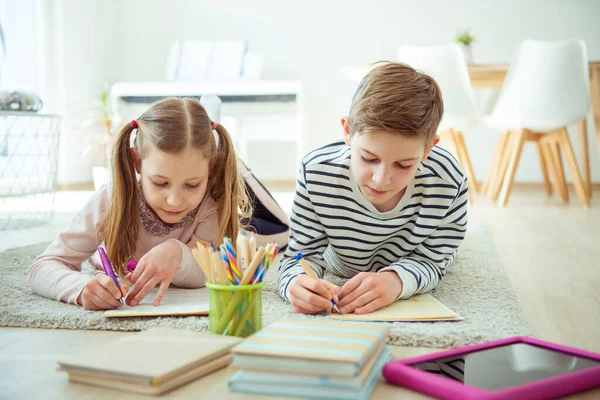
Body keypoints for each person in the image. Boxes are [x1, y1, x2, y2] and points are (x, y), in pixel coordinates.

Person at [29, 97, 286, 310]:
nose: (174, 201)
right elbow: (42, 267)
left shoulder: (211, 203)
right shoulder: (109, 200)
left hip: (255, 226)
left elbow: (209, 270)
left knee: (277, 235)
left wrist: (177, 253)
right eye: (160, 183)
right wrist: (81, 288)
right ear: (137, 162)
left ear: (211, 170)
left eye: (192, 184)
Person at [278, 62, 468, 315]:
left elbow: (433, 261)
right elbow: (300, 256)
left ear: (429, 149)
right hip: (342, 263)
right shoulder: (316, 171)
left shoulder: (448, 179)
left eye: (403, 165)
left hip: (416, 255)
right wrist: (295, 284)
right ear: (347, 131)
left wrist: (397, 281)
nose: (381, 180)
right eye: (368, 158)